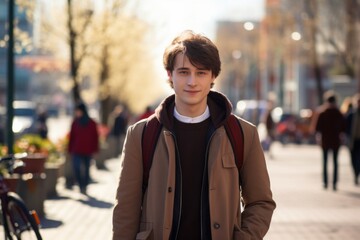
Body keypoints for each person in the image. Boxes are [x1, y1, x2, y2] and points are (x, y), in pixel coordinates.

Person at [112, 30, 276, 239]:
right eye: (183, 72)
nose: (192, 81)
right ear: (170, 75)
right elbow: (126, 209)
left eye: (201, 72)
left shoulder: (243, 134)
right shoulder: (141, 135)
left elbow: (261, 202)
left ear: (213, 76)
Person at [312, 90, 346, 191]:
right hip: (330, 141)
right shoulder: (330, 113)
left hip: (330, 141)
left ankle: (331, 182)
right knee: (329, 162)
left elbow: (343, 128)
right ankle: (328, 182)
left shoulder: (329, 113)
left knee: (331, 162)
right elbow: (317, 128)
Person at [68, 102, 99, 195]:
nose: (76, 112)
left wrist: (96, 149)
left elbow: (95, 137)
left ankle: (84, 186)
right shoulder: (75, 122)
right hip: (76, 150)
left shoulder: (91, 123)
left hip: (87, 150)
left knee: (86, 170)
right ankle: (80, 185)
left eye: (77, 110)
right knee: (76, 168)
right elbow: (72, 137)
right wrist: (69, 149)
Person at [345, 93, 360, 185]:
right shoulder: (351, 114)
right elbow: (346, 127)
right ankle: (355, 173)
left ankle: (357, 172)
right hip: (353, 140)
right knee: (353, 159)